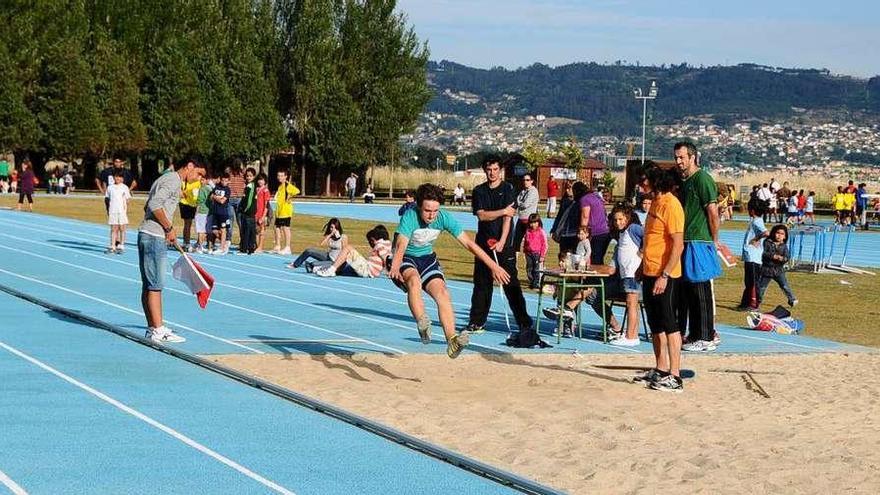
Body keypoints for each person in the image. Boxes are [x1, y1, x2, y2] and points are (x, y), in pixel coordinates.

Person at [389, 183, 511, 358]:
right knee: (414, 281)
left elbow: (469, 244)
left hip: (427, 259)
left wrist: (494, 266)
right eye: (427, 210)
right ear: (418, 206)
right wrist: (395, 265)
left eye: (435, 211)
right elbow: (401, 244)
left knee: (443, 293)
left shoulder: (444, 218)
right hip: (406, 258)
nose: (431, 215)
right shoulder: (410, 216)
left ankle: (451, 340)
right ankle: (422, 322)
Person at [463, 156, 534, 341]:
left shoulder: (509, 189)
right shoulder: (479, 191)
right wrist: (502, 211)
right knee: (481, 284)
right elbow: (482, 216)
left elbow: (508, 218)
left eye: (495, 169)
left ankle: (524, 322)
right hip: (484, 244)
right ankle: (477, 321)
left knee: (511, 284)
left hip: (505, 246)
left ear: (500, 170)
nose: (492, 173)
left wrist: (503, 240)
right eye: (489, 169)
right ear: (485, 170)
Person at [138, 159, 205, 343]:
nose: (199, 178)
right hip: (153, 237)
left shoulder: (166, 178)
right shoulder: (173, 180)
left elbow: (148, 205)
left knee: (149, 284)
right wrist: (168, 228)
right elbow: (154, 205)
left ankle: (153, 327)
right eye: (199, 173)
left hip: (149, 233)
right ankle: (158, 329)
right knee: (155, 284)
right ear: (190, 165)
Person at [635, 163, 685, 392]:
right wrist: (641, 266)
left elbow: (677, 245)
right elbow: (651, 238)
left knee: (669, 323)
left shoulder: (671, 205)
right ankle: (661, 368)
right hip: (649, 271)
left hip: (666, 275)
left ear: (655, 181)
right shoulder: (654, 202)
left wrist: (665, 275)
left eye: (644, 181)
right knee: (655, 324)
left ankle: (675, 375)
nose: (641, 185)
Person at [673, 142, 723, 352]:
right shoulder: (684, 181)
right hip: (686, 239)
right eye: (676, 157)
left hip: (699, 241)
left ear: (692, 157)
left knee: (700, 288)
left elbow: (712, 212)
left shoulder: (702, 179)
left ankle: (706, 335)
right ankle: (694, 334)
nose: (678, 161)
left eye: (682, 157)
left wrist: (714, 239)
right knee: (689, 291)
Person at [315, 225, 393, 278]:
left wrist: (389, 272)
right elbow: (389, 258)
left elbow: (385, 257)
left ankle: (331, 270)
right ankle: (329, 269)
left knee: (348, 248)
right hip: (370, 269)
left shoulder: (379, 245)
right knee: (346, 260)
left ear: (373, 239)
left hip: (368, 270)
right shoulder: (388, 244)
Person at [737, 199, 768, 311]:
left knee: (753, 282)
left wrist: (756, 239)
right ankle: (745, 303)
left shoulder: (757, 221)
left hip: (753, 257)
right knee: (748, 281)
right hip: (750, 256)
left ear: (752, 211)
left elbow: (766, 233)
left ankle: (754, 303)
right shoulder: (755, 220)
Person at [759, 224, 797, 307]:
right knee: (762, 287)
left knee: (784, 286)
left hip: (778, 270)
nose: (779, 235)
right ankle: (758, 300)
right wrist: (773, 256)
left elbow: (787, 257)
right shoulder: (767, 242)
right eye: (778, 233)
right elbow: (763, 253)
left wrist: (783, 259)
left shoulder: (784, 246)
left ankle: (792, 299)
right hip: (767, 269)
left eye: (782, 234)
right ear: (773, 233)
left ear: (785, 236)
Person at [272, 168, 300, 254]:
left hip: (286, 211)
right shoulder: (280, 186)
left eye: (281, 176)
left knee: (285, 228)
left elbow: (297, 191)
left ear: (285, 177)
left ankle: (287, 247)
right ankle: (277, 245)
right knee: (276, 227)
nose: (279, 177)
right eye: (278, 176)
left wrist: (290, 196)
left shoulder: (288, 186)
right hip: (279, 211)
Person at [105, 172, 132, 254]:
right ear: (113, 177)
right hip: (113, 211)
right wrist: (108, 209)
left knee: (122, 228)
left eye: (120, 177)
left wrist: (124, 208)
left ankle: (121, 245)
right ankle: (112, 246)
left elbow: (127, 199)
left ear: (123, 179)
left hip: (122, 211)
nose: (118, 179)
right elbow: (107, 198)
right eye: (116, 177)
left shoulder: (125, 187)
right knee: (113, 229)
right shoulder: (110, 187)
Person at [513, 172, 539, 251]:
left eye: (527, 180)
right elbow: (517, 201)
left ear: (532, 181)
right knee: (516, 242)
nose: (525, 182)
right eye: (524, 180)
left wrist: (519, 203)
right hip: (521, 219)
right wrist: (520, 203)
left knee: (530, 243)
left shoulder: (533, 191)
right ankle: (515, 260)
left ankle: (532, 261)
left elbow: (525, 204)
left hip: (530, 220)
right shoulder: (523, 191)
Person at [522, 213, 547, 290]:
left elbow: (544, 244)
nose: (533, 225)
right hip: (528, 253)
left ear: (539, 222)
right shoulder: (528, 231)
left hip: (537, 253)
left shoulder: (541, 232)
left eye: (535, 222)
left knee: (537, 269)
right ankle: (532, 281)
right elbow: (526, 242)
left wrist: (542, 255)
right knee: (529, 268)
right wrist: (525, 251)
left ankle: (536, 283)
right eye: (531, 223)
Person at [237, 168, 258, 255]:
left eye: (250, 176)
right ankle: (249, 248)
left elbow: (249, 200)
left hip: (248, 212)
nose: (248, 177)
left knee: (247, 230)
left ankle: (245, 248)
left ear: (253, 176)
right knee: (248, 230)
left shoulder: (251, 186)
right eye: (247, 176)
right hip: (248, 212)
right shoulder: (248, 185)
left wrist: (244, 209)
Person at [179, 172, 201, 251]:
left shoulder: (198, 182)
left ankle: (198, 243)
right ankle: (186, 243)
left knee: (196, 223)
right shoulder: (184, 182)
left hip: (194, 204)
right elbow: (180, 191)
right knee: (187, 223)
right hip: (185, 204)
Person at [210, 174, 232, 255]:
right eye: (222, 180)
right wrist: (217, 198)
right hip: (215, 212)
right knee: (214, 231)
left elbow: (223, 201)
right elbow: (210, 196)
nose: (224, 182)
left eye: (226, 181)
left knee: (223, 230)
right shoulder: (216, 187)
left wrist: (215, 197)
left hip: (223, 213)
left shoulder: (227, 190)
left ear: (228, 181)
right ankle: (225, 243)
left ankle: (222, 248)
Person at [194, 173, 213, 253]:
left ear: (206, 180)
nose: (201, 181)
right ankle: (209, 247)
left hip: (202, 211)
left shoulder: (202, 189)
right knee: (208, 230)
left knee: (200, 230)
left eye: (203, 180)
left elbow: (199, 201)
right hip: (209, 211)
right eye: (201, 180)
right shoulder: (211, 189)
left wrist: (196, 212)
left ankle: (200, 246)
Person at [254, 173, 272, 253]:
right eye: (259, 180)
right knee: (255, 230)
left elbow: (266, 205)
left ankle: (260, 246)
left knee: (262, 230)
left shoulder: (265, 190)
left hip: (262, 213)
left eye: (262, 180)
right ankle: (256, 245)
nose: (260, 181)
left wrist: (263, 216)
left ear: (265, 181)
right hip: (255, 213)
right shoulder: (256, 189)